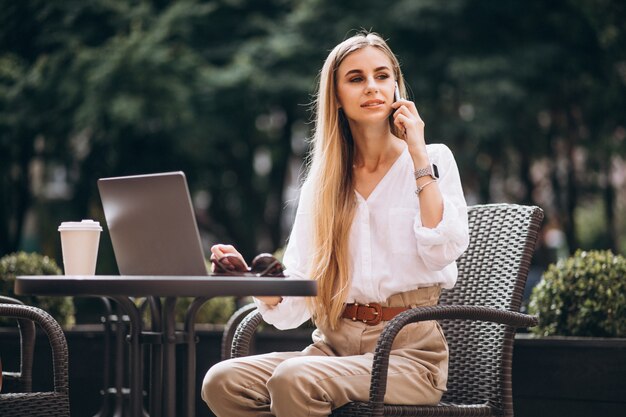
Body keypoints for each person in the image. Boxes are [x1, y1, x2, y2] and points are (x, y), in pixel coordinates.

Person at [202, 31, 469, 417]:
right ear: (337, 97)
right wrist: (253, 280)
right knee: (222, 382)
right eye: (356, 79)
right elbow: (295, 298)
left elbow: (442, 248)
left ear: (396, 85)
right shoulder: (323, 184)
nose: (372, 87)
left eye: (382, 76)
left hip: (410, 354)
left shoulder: (432, 157)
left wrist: (417, 153)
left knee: (293, 379)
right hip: (332, 346)